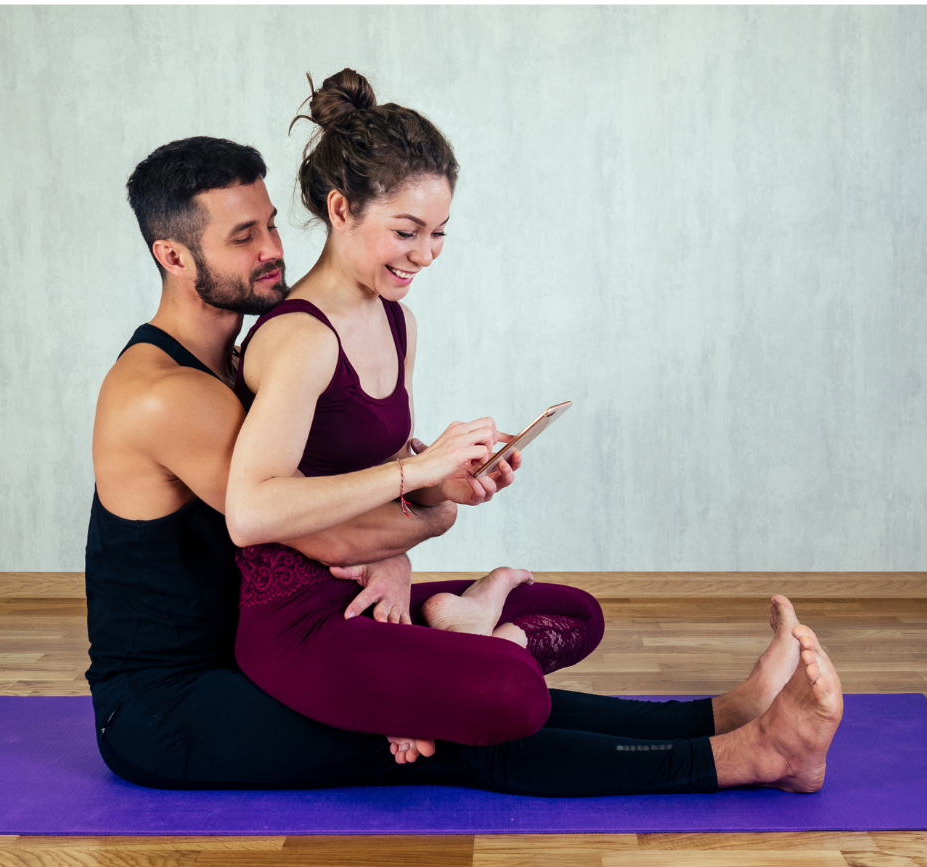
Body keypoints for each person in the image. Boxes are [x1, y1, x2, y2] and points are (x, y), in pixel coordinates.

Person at [85, 132, 843, 796]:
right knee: (457, 735)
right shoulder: (168, 396)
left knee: (557, 616)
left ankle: (723, 714)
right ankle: (752, 756)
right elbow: (309, 533)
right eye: (243, 237)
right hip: (170, 702)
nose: (274, 250)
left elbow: (343, 508)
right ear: (174, 256)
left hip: (295, 626)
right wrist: (422, 503)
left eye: (272, 224)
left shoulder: (238, 361)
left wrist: (406, 546)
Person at [225, 69, 607, 749]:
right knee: (513, 696)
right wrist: (415, 476)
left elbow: (387, 462)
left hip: (376, 587)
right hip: (299, 621)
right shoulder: (299, 339)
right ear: (341, 210)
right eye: (407, 232)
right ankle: (465, 644)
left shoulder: (396, 322)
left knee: (575, 612)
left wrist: (446, 480)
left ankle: (464, 637)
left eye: (439, 234)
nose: (425, 255)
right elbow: (251, 512)